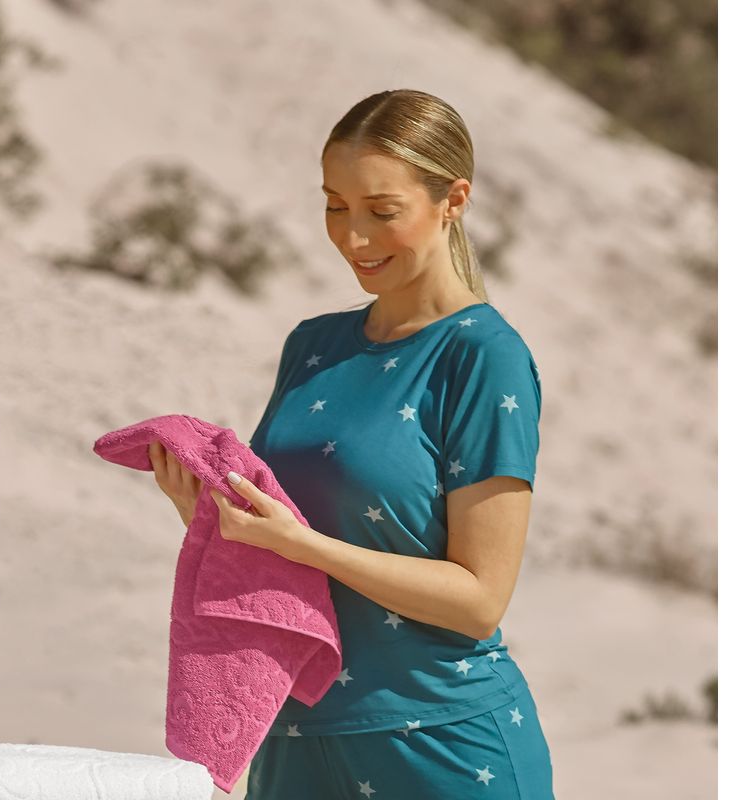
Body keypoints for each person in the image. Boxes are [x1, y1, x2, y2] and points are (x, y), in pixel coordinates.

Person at [151, 89, 555, 799]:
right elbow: (292, 548)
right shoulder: (313, 346)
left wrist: (300, 545)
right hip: (296, 737)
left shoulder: (482, 356)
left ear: (454, 200)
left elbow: (479, 600)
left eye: (382, 211)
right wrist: (219, 522)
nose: (354, 237)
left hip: (441, 743)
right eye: (336, 206)